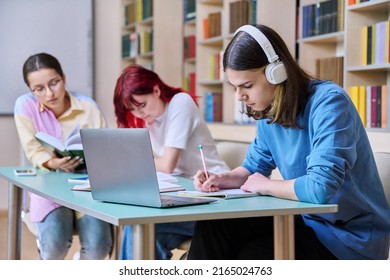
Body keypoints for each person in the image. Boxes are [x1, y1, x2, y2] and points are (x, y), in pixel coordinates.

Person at [187, 24, 390, 260]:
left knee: (251, 256)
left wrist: (266, 185)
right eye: (235, 87)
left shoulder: (330, 103)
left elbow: (320, 188)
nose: (239, 96)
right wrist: (221, 179)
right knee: (215, 224)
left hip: (348, 240)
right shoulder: (270, 112)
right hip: (307, 221)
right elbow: (253, 168)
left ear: (277, 72)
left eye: (247, 86)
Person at [113, 64, 230, 260]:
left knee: (139, 227)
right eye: (132, 109)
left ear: (156, 90)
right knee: (138, 230)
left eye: (141, 105)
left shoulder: (180, 103)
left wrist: (130, 163)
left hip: (213, 199)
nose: (139, 114)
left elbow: (167, 165)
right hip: (183, 196)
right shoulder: (149, 118)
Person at [14, 53, 113, 259]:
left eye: (54, 83)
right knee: (55, 245)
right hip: (48, 187)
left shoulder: (88, 108)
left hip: (87, 187)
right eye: (39, 89)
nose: (49, 93)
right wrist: (52, 162)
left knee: (99, 248)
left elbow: (104, 151)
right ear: (30, 90)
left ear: (64, 78)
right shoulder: (25, 106)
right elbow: (33, 150)